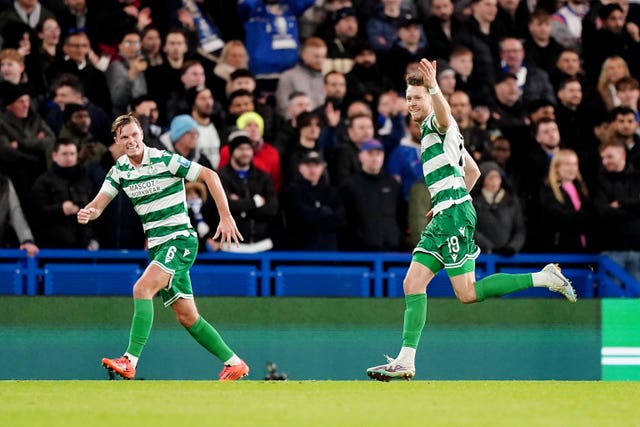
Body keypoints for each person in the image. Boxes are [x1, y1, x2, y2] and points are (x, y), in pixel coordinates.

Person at [365, 59, 577, 382]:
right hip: (448, 212)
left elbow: (445, 116)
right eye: (408, 98)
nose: (411, 103)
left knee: (467, 293)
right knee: (413, 282)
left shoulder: (437, 123)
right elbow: (473, 172)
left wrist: (435, 89)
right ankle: (406, 359)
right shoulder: (435, 133)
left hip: (454, 216)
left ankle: (544, 278)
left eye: (416, 98)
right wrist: (448, 199)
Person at [77, 113, 249, 381]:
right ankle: (234, 362)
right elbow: (99, 204)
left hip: (179, 239)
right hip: (158, 246)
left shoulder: (164, 159)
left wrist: (226, 216)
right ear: (117, 141)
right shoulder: (119, 170)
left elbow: (209, 175)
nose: (131, 140)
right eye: (125, 137)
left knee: (141, 288)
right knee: (187, 316)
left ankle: (130, 360)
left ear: (142, 135)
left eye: (135, 134)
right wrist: (89, 212)